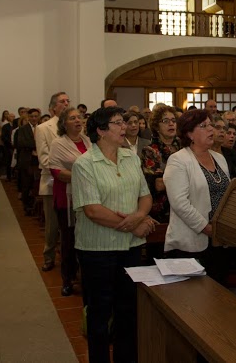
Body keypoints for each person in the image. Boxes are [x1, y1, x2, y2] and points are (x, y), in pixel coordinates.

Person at [71, 106, 156, 363]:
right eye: (118, 123)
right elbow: (93, 210)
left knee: (128, 311)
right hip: (97, 249)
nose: (125, 127)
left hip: (130, 247)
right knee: (99, 313)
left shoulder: (131, 157)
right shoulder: (85, 164)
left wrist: (139, 216)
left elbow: (145, 196)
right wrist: (134, 224)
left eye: (124, 122)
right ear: (100, 130)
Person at [163, 109, 231, 281]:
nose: (211, 129)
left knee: (219, 291)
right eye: (203, 126)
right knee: (194, 294)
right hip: (191, 242)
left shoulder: (219, 158)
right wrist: (206, 228)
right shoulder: (178, 160)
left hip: (220, 240)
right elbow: (180, 203)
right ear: (189, 134)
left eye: (211, 125)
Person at [48, 107, 92, 297]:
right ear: (64, 123)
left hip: (88, 196)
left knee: (86, 238)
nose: (77, 121)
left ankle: (85, 276)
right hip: (67, 198)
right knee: (69, 240)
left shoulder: (88, 141)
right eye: (72, 118)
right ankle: (67, 279)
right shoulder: (58, 143)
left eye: (79, 117)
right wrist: (84, 176)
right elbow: (56, 171)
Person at [35, 92, 71, 272]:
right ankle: (49, 256)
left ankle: (68, 257)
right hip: (52, 180)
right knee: (52, 224)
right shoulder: (43, 128)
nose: (66, 104)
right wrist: (62, 172)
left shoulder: (74, 127)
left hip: (73, 181)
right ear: (53, 107)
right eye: (62, 101)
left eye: (68, 101)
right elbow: (44, 158)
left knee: (69, 224)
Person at [141, 106, 181, 223]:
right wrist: (186, 178)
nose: (171, 124)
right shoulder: (150, 150)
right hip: (162, 210)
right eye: (165, 121)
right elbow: (159, 184)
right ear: (156, 126)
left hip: (185, 207)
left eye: (173, 120)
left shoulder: (184, 147)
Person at [15, 108, 40, 214]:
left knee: (37, 184)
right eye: (32, 116)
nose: (34, 118)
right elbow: (22, 143)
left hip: (39, 160)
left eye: (36, 116)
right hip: (27, 160)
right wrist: (37, 145)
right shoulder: (22, 129)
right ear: (28, 117)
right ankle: (27, 207)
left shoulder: (42, 128)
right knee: (26, 184)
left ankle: (36, 207)